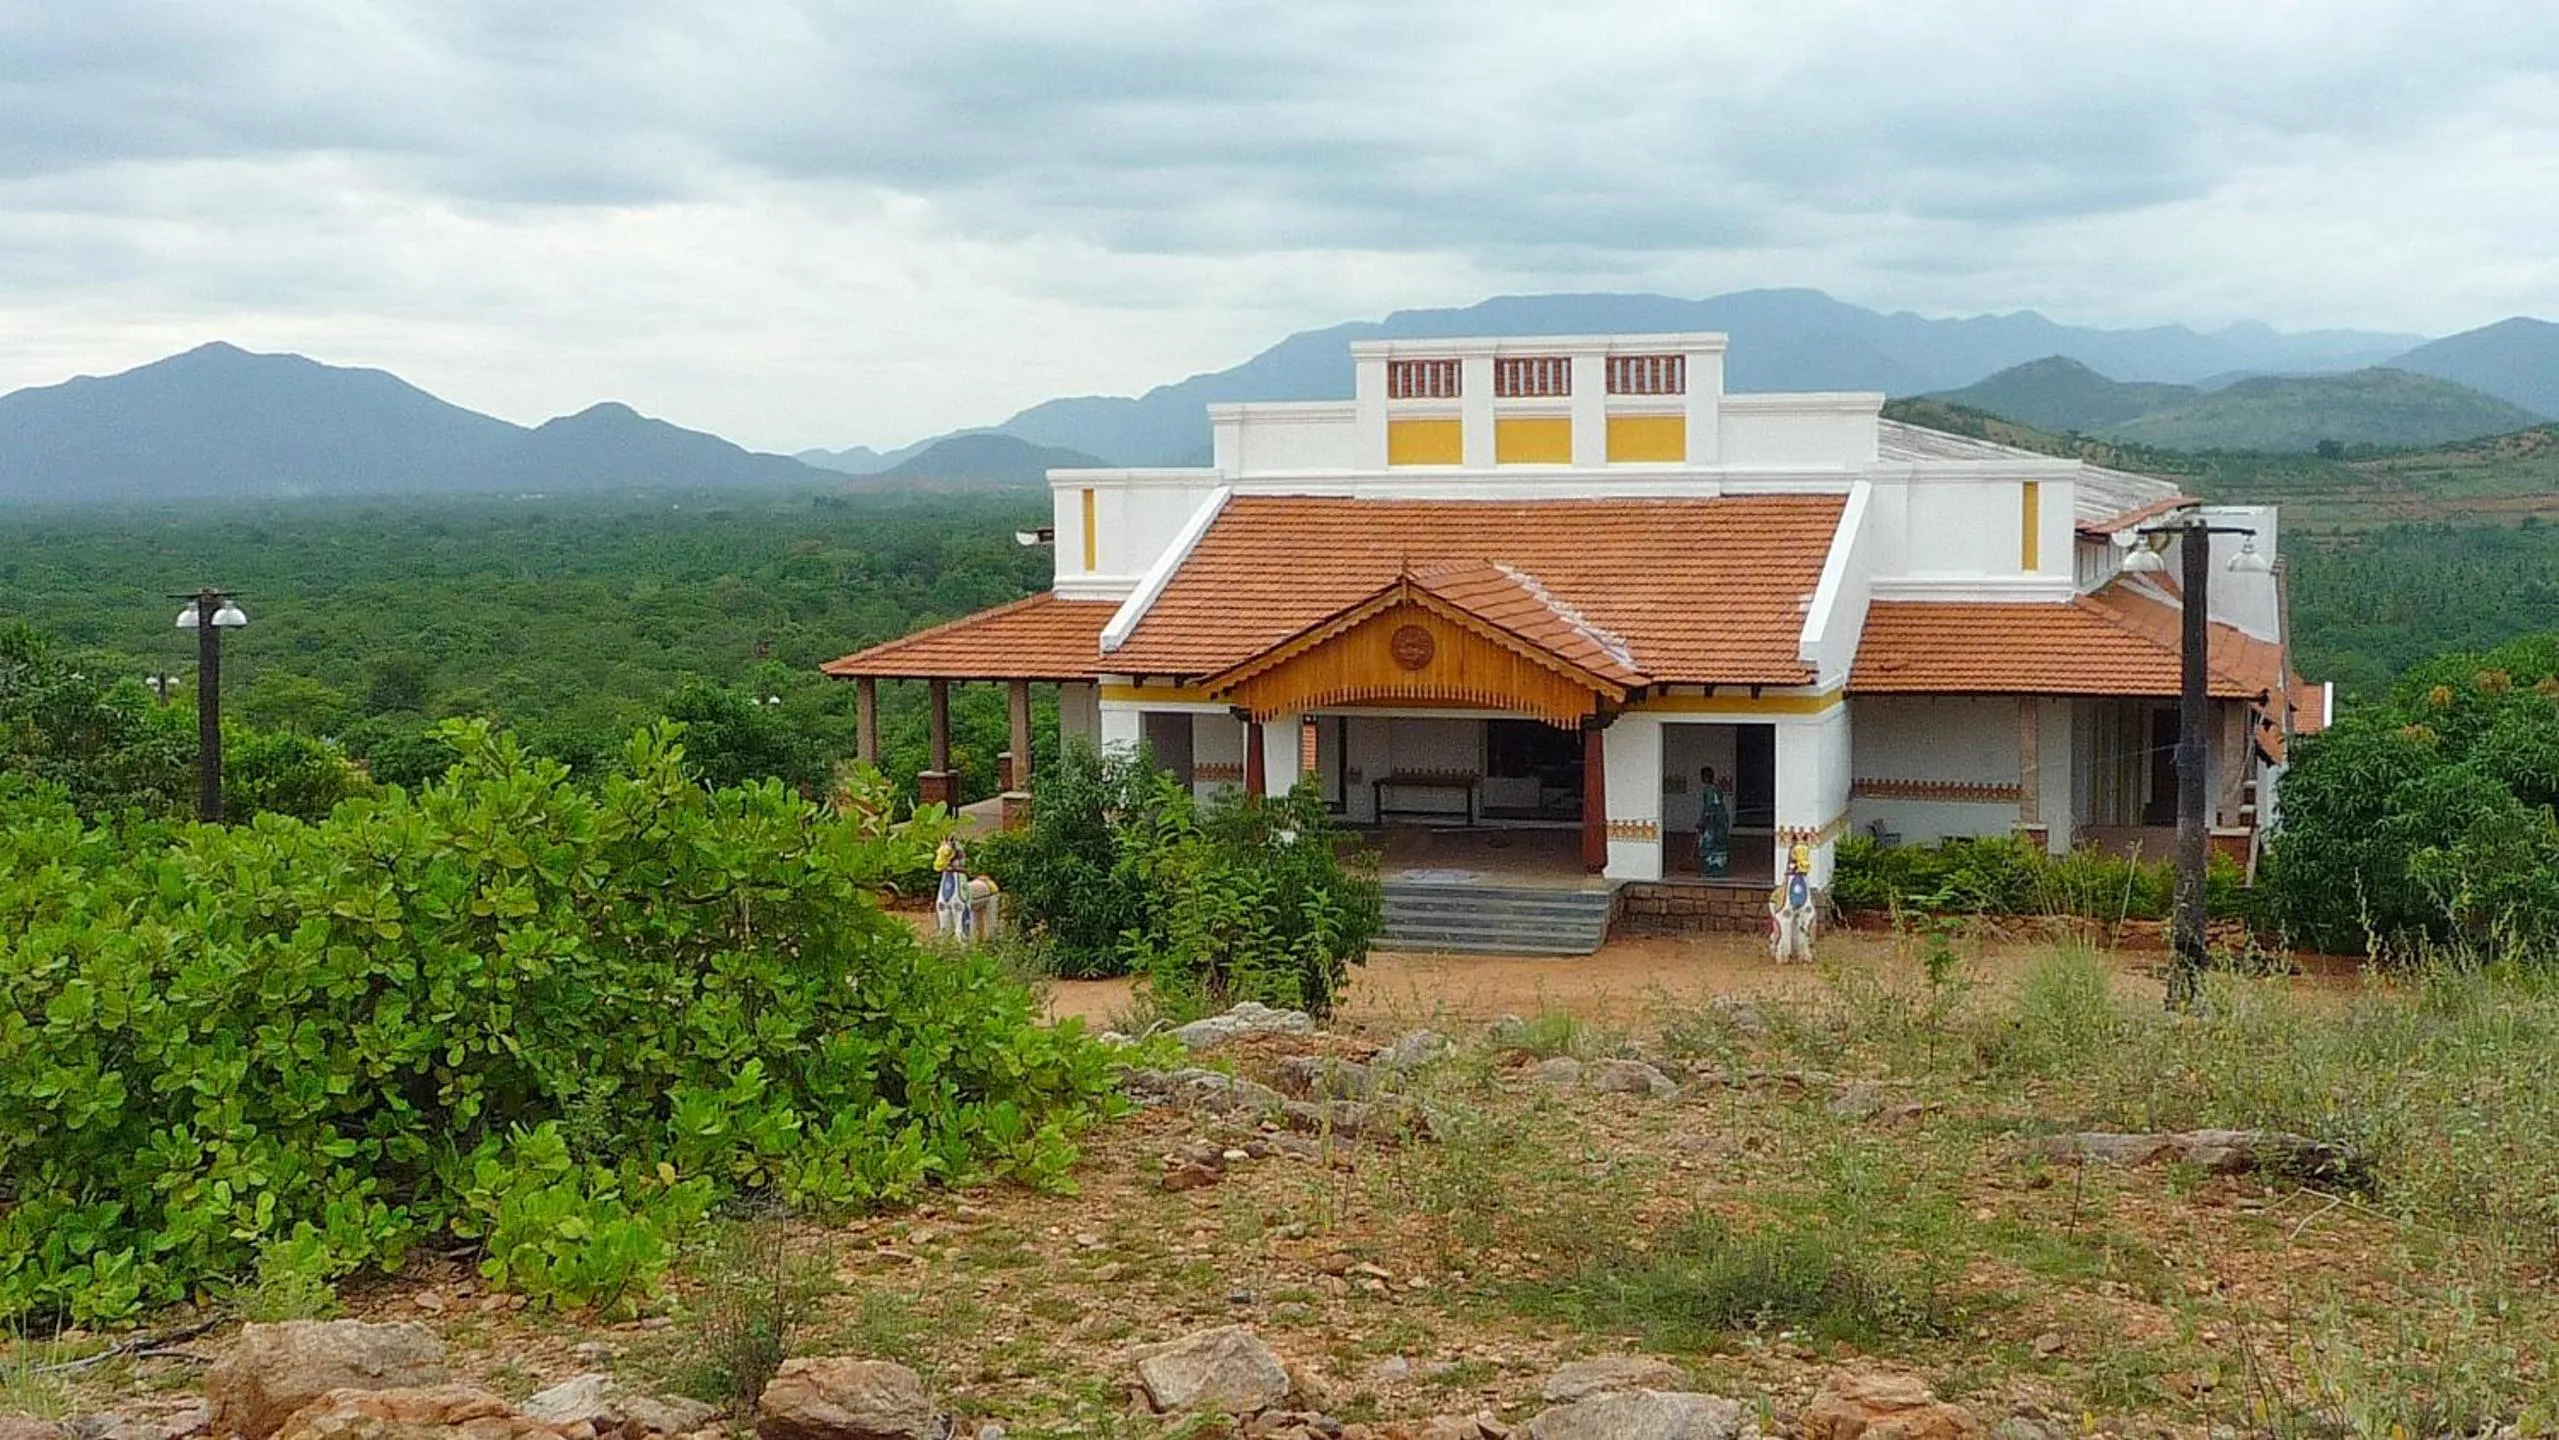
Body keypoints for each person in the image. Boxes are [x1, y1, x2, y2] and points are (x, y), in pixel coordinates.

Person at [1695, 765, 1733, 878]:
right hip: (1720, 819)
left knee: (1709, 844)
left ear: (1706, 777)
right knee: (1719, 843)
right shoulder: (1716, 788)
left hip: (1713, 821)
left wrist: (1701, 821)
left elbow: (1709, 807)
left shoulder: (1709, 789)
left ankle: (1711, 870)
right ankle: (1720, 869)